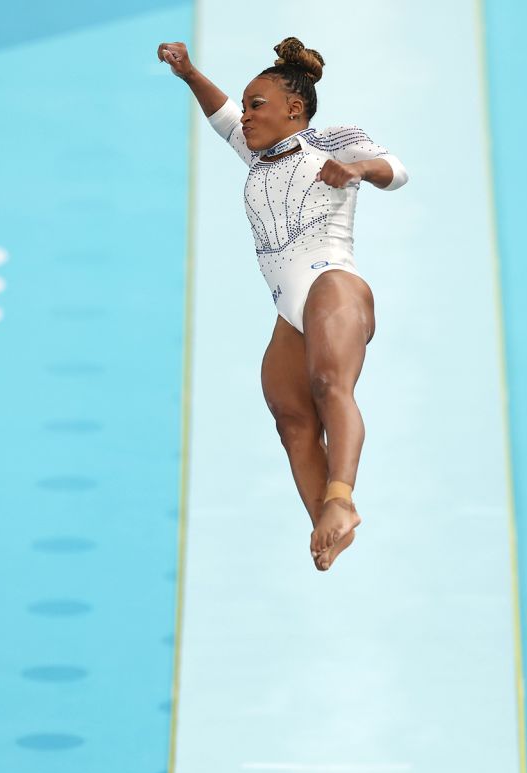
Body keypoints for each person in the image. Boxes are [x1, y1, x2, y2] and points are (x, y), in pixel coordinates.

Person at [158, 36, 408, 570]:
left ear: (294, 109)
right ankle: (326, 519)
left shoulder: (332, 139)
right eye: (247, 106)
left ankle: (341, 498)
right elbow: (220, 112)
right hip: (288, 305)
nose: (245, 115)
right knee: (291, 419)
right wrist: (188, 72)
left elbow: (395, 170)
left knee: (328, 386)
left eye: (257, 105)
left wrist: (359, 170)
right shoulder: (256, 152)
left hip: (332, 283)